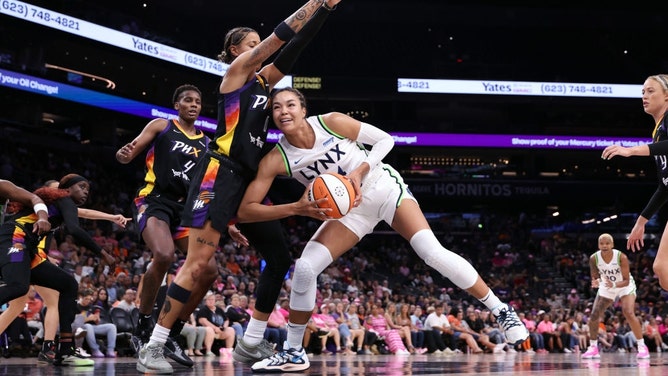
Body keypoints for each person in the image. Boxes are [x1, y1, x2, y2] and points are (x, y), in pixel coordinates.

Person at [237, 87, 529, 372]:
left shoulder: (331, 122)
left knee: (431, 252)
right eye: (276, 107)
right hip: (349, 212)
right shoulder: (277, 158)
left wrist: (357, 173)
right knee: (304, 269)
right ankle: (294, 351)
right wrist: (296, 208)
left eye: (290, 105)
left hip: (381, 187)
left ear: (303, 109)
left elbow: (385, 141)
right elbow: (246, 210)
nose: (283, 111)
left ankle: (501, 310)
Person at [136, 1, 342, 373]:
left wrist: (325, 11)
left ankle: (250, 342)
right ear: (236, 51)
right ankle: (153, 346)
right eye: (252, 43)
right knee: (198, 264)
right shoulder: (235, 75)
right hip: (219, 174)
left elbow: (294, 48)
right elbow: (282, 38)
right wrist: (313, 3)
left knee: (279, 257)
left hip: (246, 181)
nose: (259, 47)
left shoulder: (264, 83)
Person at [116, 84, 220, 368]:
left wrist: (227, 220)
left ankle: (172, 330)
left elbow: (208, 186)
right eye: (188, 100)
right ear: (177, 105)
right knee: (164, 255)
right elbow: (132, 149)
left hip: (187, 209)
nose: (194, 104)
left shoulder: (207, 144)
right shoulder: (162, 125)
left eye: (198, 101)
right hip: (155, 201)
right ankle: (143, 323)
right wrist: (125, 155)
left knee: (209, 269)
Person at [0, 174, 114, 366]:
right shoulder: (64, 199)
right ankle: (51, 348)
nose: (86, 191)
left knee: (68, 285)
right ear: (67, 189)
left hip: (30, 251)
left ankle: (66, 349)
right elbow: (75, 230)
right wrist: (103, 253)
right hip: (15, 240)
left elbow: (82, 215)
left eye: (88, 189)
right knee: (18, 287)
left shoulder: (62, 204)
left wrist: (111, 217)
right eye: (82, 186)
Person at [601, 74, 668, 291]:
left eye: (650, 91)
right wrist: (641, 222)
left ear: (666, 96)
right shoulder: (658, 131)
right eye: (642, 92)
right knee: (661, 269)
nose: (644, 96)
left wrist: (631, 151)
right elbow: (665, 185)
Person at [581, 233, 649, 359]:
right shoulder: (593, 258)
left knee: (628, 312)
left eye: (607, 243)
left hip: (624, 285)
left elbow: (626, 280)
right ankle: (593, 347)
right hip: (607, 286)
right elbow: (595, 276)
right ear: (598, 245)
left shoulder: (621, 257)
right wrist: (595, 281)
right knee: (594, 315)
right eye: (602, 243)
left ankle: (642, 346)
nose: (604, 245)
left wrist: (613, 284)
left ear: (612, 244)